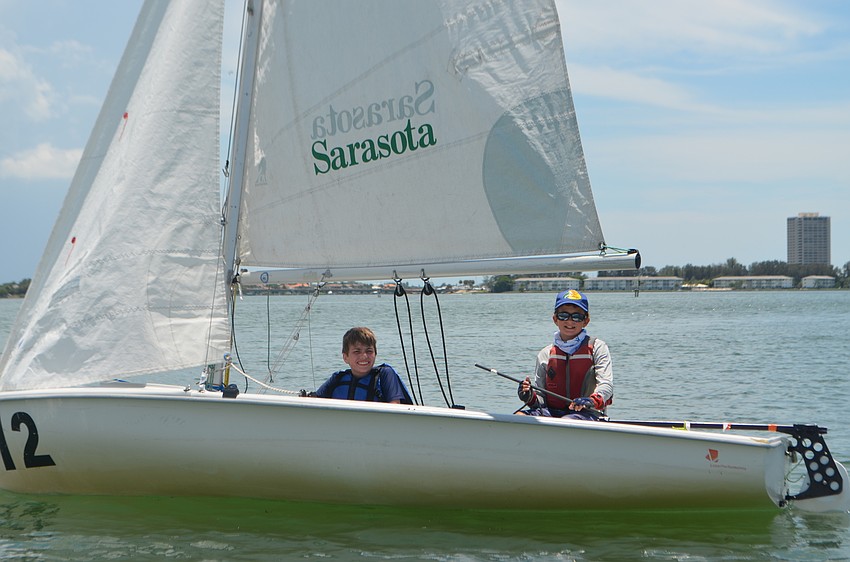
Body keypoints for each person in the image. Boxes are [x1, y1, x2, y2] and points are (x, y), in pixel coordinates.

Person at [517, 289, 612, 420]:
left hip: (588, 414)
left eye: (577, 317)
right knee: (519, 417)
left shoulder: (598, 347)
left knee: (567, 421)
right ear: (555, 319)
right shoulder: (545, 354)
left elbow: (607, 385)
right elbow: (540, 400)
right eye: (563, 316)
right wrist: (528, 395)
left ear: (586, 321)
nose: (570, 321)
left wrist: (592, 400)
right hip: (551, 412)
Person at [313, 327, 413, 404]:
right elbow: (315, 401)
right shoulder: (337, 378)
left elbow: (395, 406)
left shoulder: (385, 375)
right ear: (345, 357)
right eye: (357, 351)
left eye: (369, 351)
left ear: (375, 354)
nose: (364, 356)